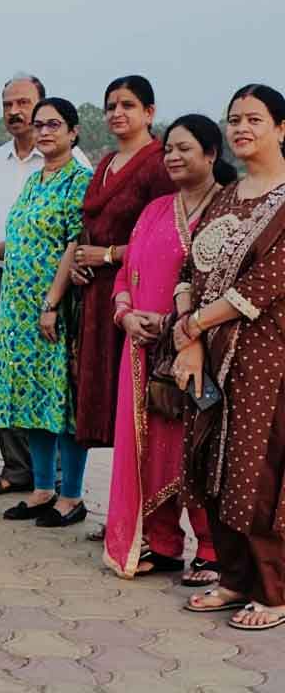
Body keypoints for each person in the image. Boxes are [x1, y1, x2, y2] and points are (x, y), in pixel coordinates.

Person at [175, 84, 285, 629]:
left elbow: (264, 285)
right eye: (234, 119)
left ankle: (274, 590)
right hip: (210, 353)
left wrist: (195, 325)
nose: (241, 128)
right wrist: (190, 338)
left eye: (254, 119)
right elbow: (189, 270)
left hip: (267, 355)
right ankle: (234, 577)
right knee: (212, 463)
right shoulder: (227, 195)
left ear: (281, 129)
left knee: (256, 469)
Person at [103, 115, 229, 583]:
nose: (173, 157)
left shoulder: (228, 211)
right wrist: (125, 314)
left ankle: (212, 549)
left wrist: (175, 324)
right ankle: (163, 543)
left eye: (185, 149)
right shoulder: (155, 210)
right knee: (149, 444)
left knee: (198, 444)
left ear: (211, 154)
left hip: (201, 347)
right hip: (142, 352)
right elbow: (125, 274)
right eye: (169, 149)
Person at [0, 98, 93, 528]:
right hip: (18, 308)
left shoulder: (80, 180)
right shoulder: (35, 181)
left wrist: (52, 303)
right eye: (40, 125)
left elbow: (73, 244)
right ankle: (41, 489)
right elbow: (19, 241)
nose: (45, 132)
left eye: (54, 124)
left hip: (54, 309)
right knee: (31, 400)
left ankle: (71, 496)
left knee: (62, 402)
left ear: (73, 132)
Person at [71, 76, 175, 449]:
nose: (117, 112)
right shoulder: (106, 164)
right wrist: (80, 262)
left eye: (127, 105)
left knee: (140, 403)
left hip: (139, 294)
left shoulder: (159, 164)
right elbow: (90, 228)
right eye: (111, 106)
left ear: (149, 112)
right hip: (96, 294)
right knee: (104, 404)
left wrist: (109, 255)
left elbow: (170, 240)